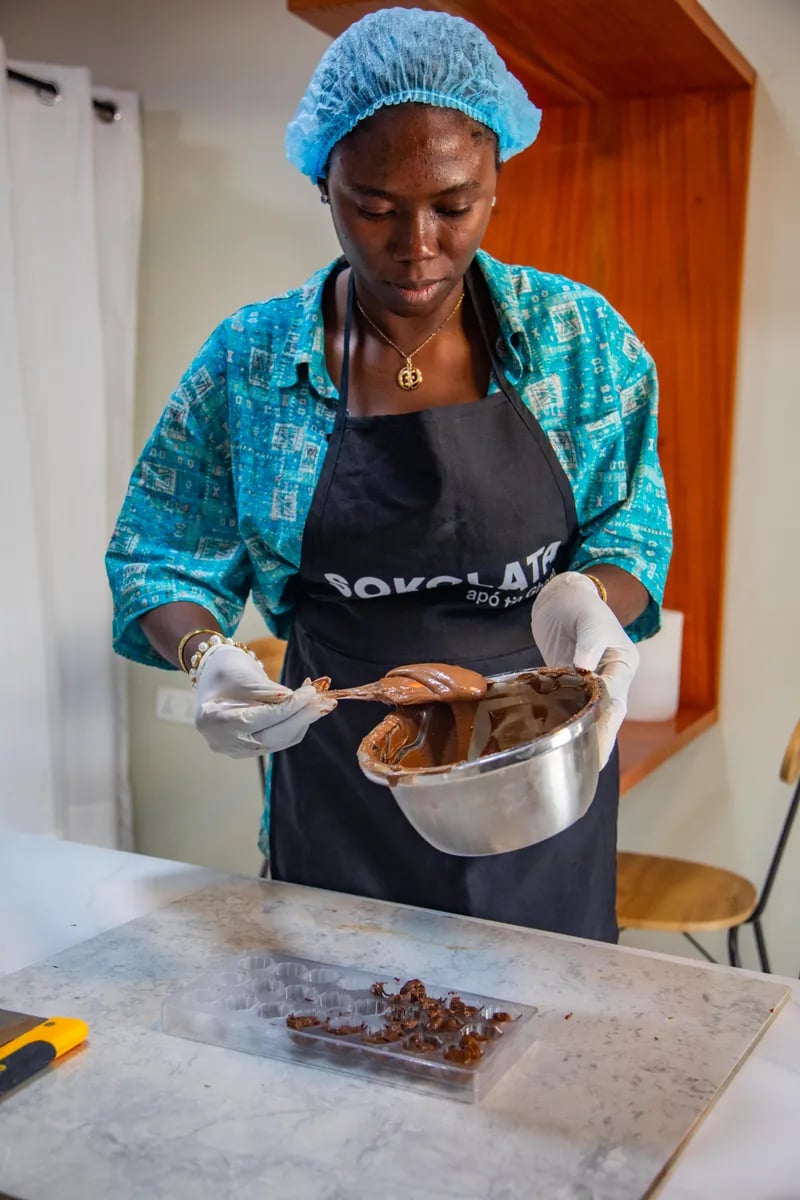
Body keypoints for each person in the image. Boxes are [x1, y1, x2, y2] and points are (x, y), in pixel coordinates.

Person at [106, 8, 672, 943]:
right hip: (342, 782)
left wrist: (590, 598)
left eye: (455, 205)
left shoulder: (577, 341)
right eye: (375, 207)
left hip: (538, 775)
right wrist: (208, 657)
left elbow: (631, 525)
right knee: (339, 1010)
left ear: (496, 179)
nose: (417, 246)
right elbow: (159, 554)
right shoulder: (252, 363)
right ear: (321, 182)